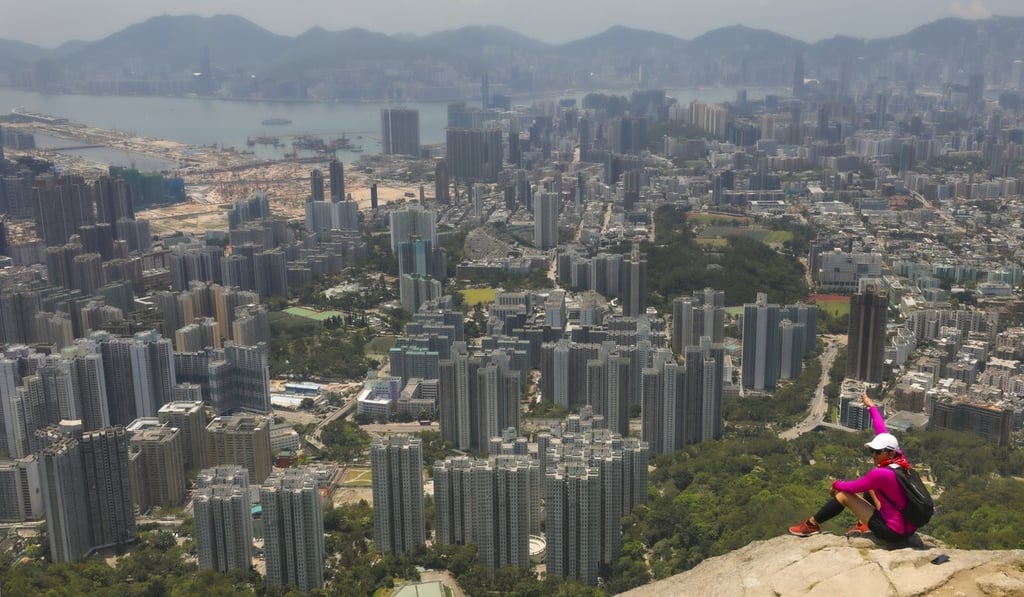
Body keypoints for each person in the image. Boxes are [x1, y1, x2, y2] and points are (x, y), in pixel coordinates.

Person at [789, 392, 918, 542]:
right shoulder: (899, 459)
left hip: (892, 532)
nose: (873, 455)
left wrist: (835, 485)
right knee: (873, 488)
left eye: (877, 452)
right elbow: (881, 429)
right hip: (907, 527)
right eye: (872, 450)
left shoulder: (882, 474)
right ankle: (864, 523)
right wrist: (871, 406)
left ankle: (811, 525)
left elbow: (852, 488)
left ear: (889, 453)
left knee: (844, 496)